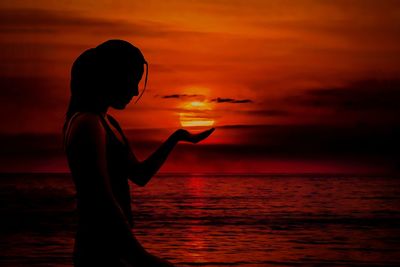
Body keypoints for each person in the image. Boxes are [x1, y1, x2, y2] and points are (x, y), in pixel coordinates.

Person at [62, 39, 214, 267]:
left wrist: (176, 137)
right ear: (111, 76)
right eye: (132, 81)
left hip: (116, 253)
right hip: (98, 254)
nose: (135, 91)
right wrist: (139, 256)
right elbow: (101, 199)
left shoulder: (108, 122)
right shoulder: (87, 123)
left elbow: (139, 175)